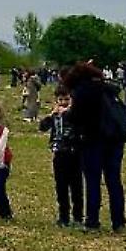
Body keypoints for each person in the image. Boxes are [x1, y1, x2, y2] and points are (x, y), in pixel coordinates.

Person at [64, 61, 126, 233]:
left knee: (92, 181)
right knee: (114, 180)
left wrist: (66, 113)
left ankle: (92, 221)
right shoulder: (106, 87)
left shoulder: (82, 91)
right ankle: (118, 221)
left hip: (92, 141)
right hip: (115, 140)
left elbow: (76, 117)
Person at [39, 84, 83, 227]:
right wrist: (51, 115)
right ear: (56, 101)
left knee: (76, 187)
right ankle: (63, 216)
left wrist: (70, 113)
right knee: (61, 186)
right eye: (61, 99)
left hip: (74, 153)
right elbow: (42, 127)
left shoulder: (76, 114)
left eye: (67, 99)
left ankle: (77, 216)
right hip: (59, 153)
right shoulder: (55, 115)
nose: (64, 102)